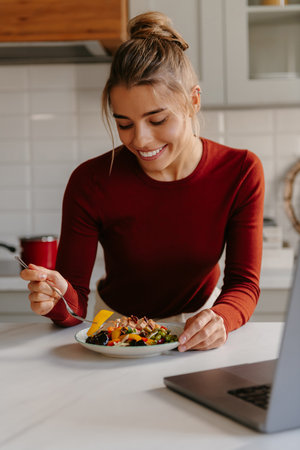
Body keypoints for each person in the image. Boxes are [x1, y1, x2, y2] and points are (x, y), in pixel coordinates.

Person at [20, 11, 264, 352]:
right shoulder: (90, 182)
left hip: (197, 327)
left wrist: (221, 318)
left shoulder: (240, 171)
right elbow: (73, 308)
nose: (141, 140)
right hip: (113, 328)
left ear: (193, 100)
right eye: (124, 123)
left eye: (157, 119)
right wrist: (56, 298)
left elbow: (243, 284)